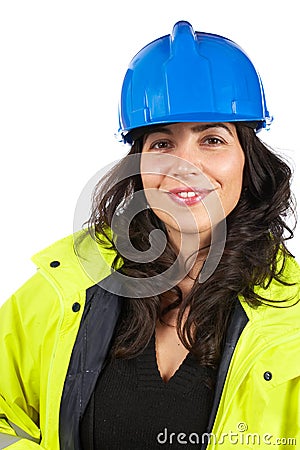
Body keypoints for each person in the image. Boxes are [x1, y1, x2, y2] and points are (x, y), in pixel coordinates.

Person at [0, 20, 299, 450]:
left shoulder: (294, 320)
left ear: (248, 160)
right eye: (162, 143)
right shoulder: (72, 285)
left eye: (212, 139)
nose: (185, 165)